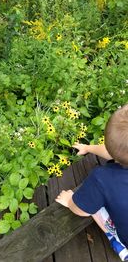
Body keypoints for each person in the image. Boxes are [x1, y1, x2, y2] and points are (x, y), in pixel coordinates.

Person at [55, 104, 128, 261]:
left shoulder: (102, 179)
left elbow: (83, 210)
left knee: (96, 206)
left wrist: (70, 201)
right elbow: (113, 151)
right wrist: (88, 147)